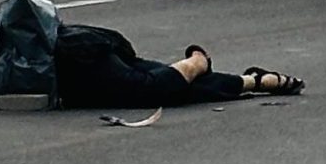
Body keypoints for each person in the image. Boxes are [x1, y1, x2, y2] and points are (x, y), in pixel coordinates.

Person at [52, 26, 306, 109]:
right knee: (171, 88)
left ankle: (196, 63)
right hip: (73, 57)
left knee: (149, 89)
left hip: (78, 54)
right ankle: (253, 81)